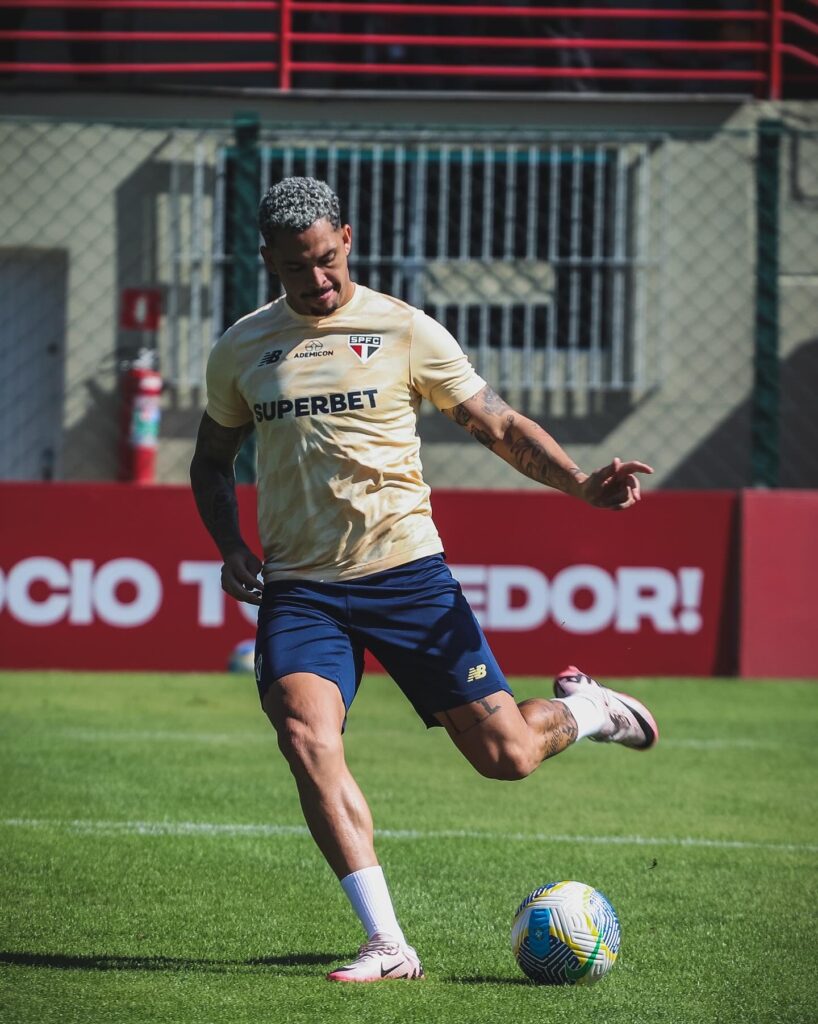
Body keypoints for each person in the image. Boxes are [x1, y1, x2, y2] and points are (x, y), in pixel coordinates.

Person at [190, 176, 658, 984]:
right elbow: (210, 459)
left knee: (507, 756)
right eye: (296, 267)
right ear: (268, 259)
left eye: (327, 260)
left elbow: (497, 424)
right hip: (301, 589)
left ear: (346, 238)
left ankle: (589, 708)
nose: (317, 280)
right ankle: (387, 943)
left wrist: (582, 483)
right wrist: (229, 542)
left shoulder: (405, 329)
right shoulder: (242, 348)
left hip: (406, 576)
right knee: (305, 736)